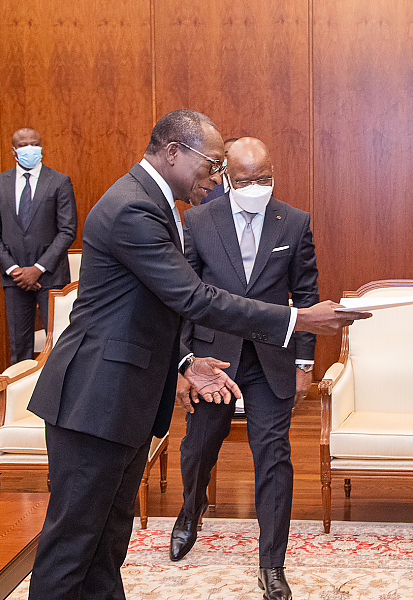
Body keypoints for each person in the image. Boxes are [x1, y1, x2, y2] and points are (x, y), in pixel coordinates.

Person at [25, 109, 368, 600]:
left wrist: (186, 362)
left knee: (106, 545)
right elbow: (193, 298)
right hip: (94, 400)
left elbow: (145, 310)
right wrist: (299, 319)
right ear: (173, 153)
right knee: (71, 548)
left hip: (122, 400)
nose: (216, 177)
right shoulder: (132, 208)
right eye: (211, 164)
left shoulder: (154, 203)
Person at [170, 138, 316, 600]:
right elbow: (182, 297)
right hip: (215, 359)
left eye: (264, 178)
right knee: (199, 449)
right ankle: (192, 508)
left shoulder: (294, 221)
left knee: (274, 457)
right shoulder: (197, 220)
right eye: (247, 179)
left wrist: (305, 361)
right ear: (227, 176)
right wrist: (185, 362)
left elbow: (307, 298)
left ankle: (272, 564)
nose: (256, 187)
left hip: (272, 360)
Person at [0, 128, 78, 365]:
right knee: (19, 345)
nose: (29, 148)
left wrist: (38, 268)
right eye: (23, 145)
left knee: (58, 343)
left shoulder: (59, 181)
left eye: (34, 144)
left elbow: (67, 230)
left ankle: (56, 400)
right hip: (14, 279)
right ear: (14, 150)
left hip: (52, 277)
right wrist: (14, 270)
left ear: (42, 146)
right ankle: (20, 399)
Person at [201, 137, 238, 203]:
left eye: (236, 155)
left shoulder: (253, 188)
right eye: (226, 155)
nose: (231, 159)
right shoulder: (206, 190)